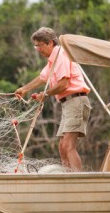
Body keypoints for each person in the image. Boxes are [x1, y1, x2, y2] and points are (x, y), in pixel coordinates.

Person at [14, 27, 91, 171]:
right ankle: (67, 178)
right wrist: (24, 89)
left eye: (40, 45)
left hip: (76, 101)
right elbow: (42, 78)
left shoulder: (62, 55)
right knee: (62, 147)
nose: (37, 49)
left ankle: (78, 181)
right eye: (35, 46)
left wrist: (46, 95)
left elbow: (63, 84)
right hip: (68, 104)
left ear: (50, 43)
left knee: (68, 146)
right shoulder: (52, 60)